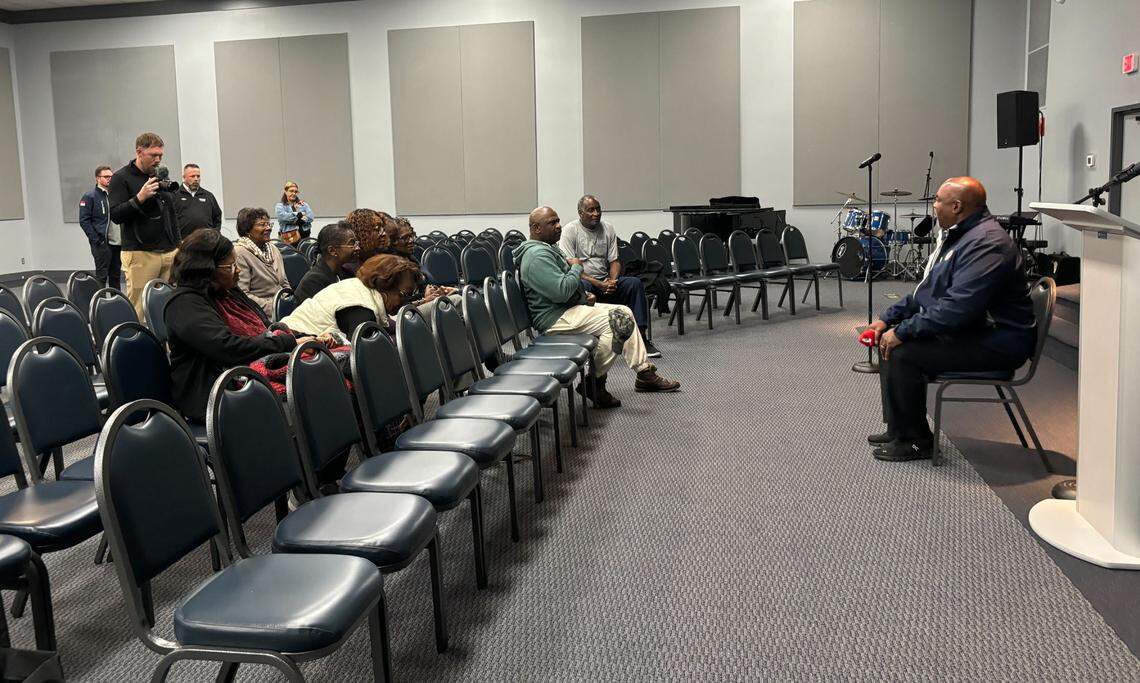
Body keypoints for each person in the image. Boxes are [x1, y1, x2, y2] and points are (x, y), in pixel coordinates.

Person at [862, 177, 1036, 462]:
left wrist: (903, 332)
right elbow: (927, 292)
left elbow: (957, 309)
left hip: (1001, 342)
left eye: (937, 201)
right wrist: (888, 319)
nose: (933, 206)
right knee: (891, 338)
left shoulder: (986, 243)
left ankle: (916, 441)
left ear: (956, 206)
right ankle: (899, 428)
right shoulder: (963, 237)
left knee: (904, 352)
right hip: (978, 330)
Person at [515, 206, 679, 408]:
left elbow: (560, 289)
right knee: (619, 321)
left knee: (624, 312)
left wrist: (583, 297)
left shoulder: (547, 249)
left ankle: (642, 372)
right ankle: (595, 382)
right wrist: (576, 266)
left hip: (565, 310)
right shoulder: (537, 256)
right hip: (555, 319)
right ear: (536, 228)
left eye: (558, 221)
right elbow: (562, 291)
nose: (558, 226)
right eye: (552, 223)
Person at [165, 229, 307, 423]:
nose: (238, 270)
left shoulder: (227, 292)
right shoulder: (184, 304)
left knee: (318, 371)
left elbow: (266, 327)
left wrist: (301, 337)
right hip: (216, 394)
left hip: (246, 374)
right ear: (207, 269)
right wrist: (286, 342)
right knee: (309, 393)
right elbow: (227, 347)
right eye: (231, 266)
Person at [560, 195, 660, 357]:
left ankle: (641, 338)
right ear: (580, 213)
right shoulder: (570, 231)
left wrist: (612, 281)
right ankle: (590, 343)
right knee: (583, 286)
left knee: (634, 283)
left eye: (598, 209)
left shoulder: (608, 228)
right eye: (590, 210)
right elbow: (572, 268)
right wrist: (598, 284)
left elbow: (615, 261)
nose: (596, 213)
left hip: (605, 281)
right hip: (585, 281)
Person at [108, 132, 180, 318]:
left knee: (168, 308)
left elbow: (171, 214)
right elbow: (116, 215)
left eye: (160, 156)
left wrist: (178, 246)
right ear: (139, 152)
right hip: (140, 253)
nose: (158, 160)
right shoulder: (121, 178)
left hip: (169, 251)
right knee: (139, 309)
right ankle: (138, 337)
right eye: (153, 155)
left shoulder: (159, 175)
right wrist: (140, 198)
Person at [282, 253, 421, 338]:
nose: (405, 301)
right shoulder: (362, 310)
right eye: (404, 295)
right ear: (385, 285)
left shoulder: (359, 287)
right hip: (295, 347)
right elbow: (360, 359)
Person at [231, 207, 290, 318]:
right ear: (247, 230)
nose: (268, 228)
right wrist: (275, 307)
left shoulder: (273, 249)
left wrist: (289, 302)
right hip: (260, 315)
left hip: (283, 310)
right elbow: (243, 295)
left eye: (269, 224)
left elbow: (284, 284)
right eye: (262, 225)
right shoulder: (240, 253)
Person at [294, 221, 359, 303]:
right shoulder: (313, 282)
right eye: (352, 244)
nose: (357, 248)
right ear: (332, 251)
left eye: (357, 243)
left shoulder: (346, 273)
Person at [78, 165, 120, 289]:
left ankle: (116, 299)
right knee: (101, 276)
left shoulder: (115, 195)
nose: (110, 179)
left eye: (111, 176)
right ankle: (100, 300)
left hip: (117, 243)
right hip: (102, 243)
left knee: (116, 276)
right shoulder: (90, 196)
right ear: (97, 178)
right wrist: (97, 240)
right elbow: (84, 221)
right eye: (106, 176)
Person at [173, 163, 222, 237]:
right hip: (184, 240)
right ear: (184, 177)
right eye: (192, 176)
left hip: (206, 240)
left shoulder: (208, 196)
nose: (196, 179)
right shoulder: (175, 195)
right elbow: (170, 220)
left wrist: (215, 234)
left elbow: (217, 216)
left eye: (198, 176)